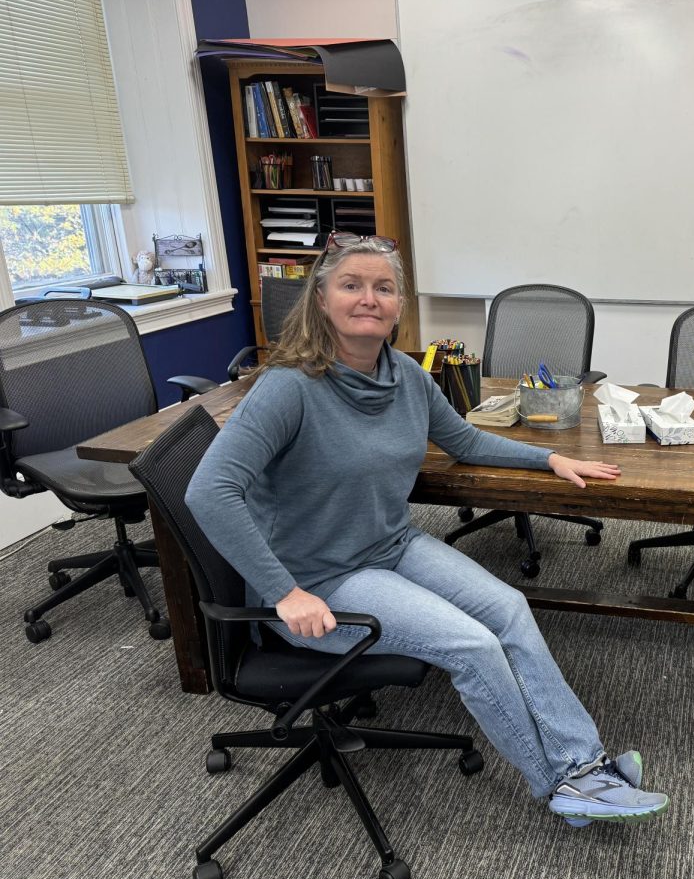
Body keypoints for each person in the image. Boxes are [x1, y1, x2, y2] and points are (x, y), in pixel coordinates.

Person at [185, 231, 668, 827]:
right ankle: (560, 789)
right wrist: (285, 592)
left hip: (391, 547)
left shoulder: (406, 376)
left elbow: (462, 439)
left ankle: (582, 762)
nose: (369, 298)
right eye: (352, 285)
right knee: (473, 646)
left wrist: (548, 459)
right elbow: (208, 491)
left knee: (510, 608)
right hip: (323, 579)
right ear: (321, 298)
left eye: (383, 288)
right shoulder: (289, 387)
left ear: (398, 305)